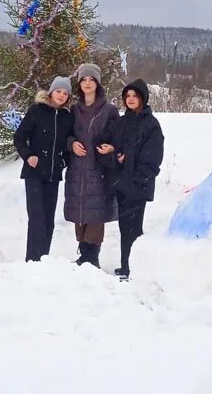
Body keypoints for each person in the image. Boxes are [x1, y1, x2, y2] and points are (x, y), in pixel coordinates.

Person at [98, 78, 164, 280]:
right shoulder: (121, 122)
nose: (131, 99)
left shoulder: (151, 124)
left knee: (134, 229)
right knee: (124, 227)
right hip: (121, 184)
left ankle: (135, 268)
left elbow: (152, 158)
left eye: (135, 95)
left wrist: (138, 178)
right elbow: (104, 144)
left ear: (143, 98)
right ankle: (126, 266)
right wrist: (116, 153)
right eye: (128, 96)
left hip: (138, 185)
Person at [64, 63, 120, 268]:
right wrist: (72, 144)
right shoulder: (74, 110)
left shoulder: (109, 110)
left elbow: (119, 137)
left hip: (98, 170)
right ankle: (83, 253)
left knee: (96, 211)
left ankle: (92, 256)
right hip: (77, 168)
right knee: (79, 210)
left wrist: (111, 148)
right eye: (84, 80)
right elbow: (65, 134)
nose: (87, 83)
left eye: (91, 80)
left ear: (97, 83)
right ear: (79, 84)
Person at [13, 76, 74, 262]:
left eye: (65, 93)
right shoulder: (36, 111)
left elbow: (67, 144)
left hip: (54, 174)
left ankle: (44, 259)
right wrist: (29, 155)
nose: (61, 95)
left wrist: (64, 161)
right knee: (37, 217)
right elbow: (19, 137)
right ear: (51, 92)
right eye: (58, 91)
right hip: (34, 172)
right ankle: (32, 259)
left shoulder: (67, 117)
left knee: (48, 219)